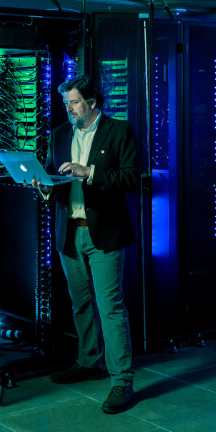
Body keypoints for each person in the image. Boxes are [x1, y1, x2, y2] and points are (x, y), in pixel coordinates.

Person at [29, 74, 139, 414]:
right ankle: (89, 362)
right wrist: (43, 187)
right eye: (66, 103)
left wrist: (88, 171)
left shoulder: (119, 131)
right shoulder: (59, 135)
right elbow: (54, 181)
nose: (69, 108)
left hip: (104, 232)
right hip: (69, 231)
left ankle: (121, 381)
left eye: (74, 102)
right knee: (80, 303)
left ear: (92, 102)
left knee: (110, 307)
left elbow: (132, 178)